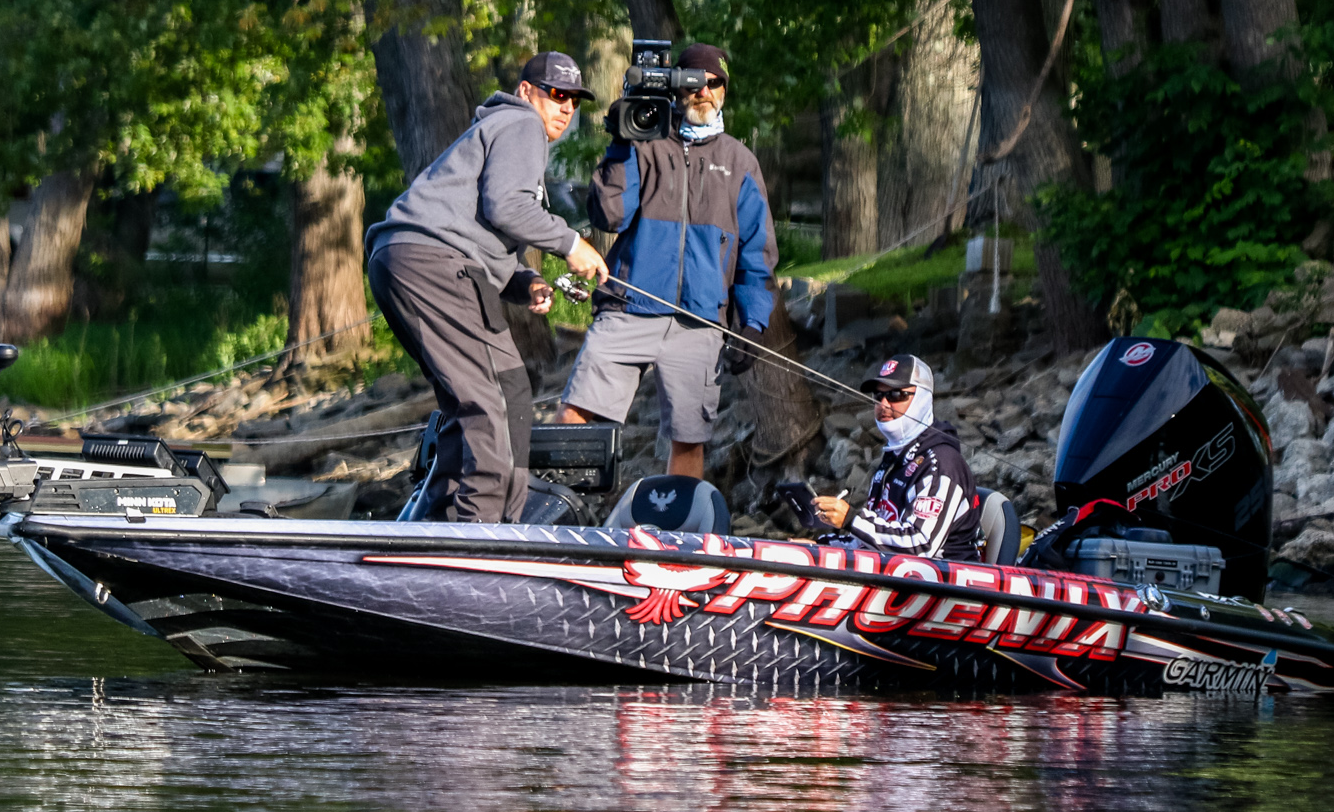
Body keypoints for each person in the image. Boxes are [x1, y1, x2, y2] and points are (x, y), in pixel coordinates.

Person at [365, 52, 609, 523]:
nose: (565, 108)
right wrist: (571, 244)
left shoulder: (498, 132)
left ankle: (433, 525)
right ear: (525, 91)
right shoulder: (521, 126)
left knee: (505, 389)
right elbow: (506, 209)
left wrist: (525, 282)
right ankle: (479, 532)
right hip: (434, 263)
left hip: (408, 259)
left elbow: (478, 227)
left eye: (574, 101)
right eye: (556, 95)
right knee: (489, 398)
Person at [558, 43, 776, 480]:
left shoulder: (741, 162)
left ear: (724, 91)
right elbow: (610, 215)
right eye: (694, 82)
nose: (703, 92)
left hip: (700, 319)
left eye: (713, 83)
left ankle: (678, 540)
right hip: (629, 308)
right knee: (576, 413)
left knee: (688, 439)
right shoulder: (644, 143)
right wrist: (623, 143)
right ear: (677, 90)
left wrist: (753, 323)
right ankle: (566, 512)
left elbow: (757, 256)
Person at [813, 354, 982, 561]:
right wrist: (818, 548)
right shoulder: (894, 459)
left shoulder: (941, 462)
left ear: (922, 398)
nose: (884, 404)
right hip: (898, 576)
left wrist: (851, 519)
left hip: (949, 584)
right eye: (878, 396)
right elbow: (872, 537)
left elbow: (921, 545)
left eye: (896, 395)